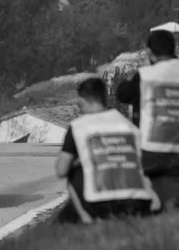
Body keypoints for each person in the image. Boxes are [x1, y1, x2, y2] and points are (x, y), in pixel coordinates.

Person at [55, 78, 157, 224]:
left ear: (81, 101)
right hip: (136, 202)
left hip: (99, 205)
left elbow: (61, 170)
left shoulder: (78, 127)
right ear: (105, 98)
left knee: (72, 169)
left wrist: (80, 161)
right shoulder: (128, 125)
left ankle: (86, 218)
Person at [116, 29, 179, 210]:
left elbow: (123, 94)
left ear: (150, 52)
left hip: (154, 149)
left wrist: (140, 71)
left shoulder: (146, 75)